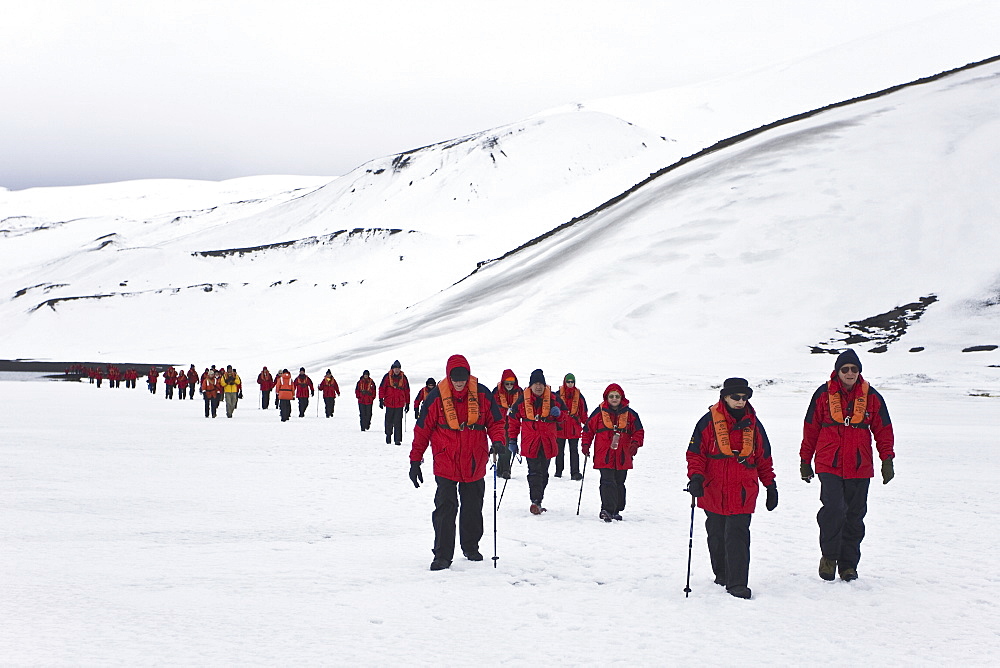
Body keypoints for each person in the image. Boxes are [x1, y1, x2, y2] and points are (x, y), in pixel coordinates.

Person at [800, 349, 894, 583]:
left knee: (854, 515)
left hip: (860, 465)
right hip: (828, 464)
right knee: (833, 510)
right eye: (845, 369)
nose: (850, 373)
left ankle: (848, 565)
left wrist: (887, 459)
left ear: (859, 371)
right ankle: (829, 558)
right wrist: (804, 460)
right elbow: (810, 428)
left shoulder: (871, 396)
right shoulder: (822, 395)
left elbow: (883, 429)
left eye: (854, 369)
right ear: (837, 371)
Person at [408, 354, 506, 571]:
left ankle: (470, 546)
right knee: (445, 508)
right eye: (456, 379)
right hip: (446, 461)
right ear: (448, 376)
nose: (460, 383)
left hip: (474, 460)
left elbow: (496, 421)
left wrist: (498, 441)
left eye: (463, 378)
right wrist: (415, 460)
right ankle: (442, 555)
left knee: (472, 506)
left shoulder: (482, 393)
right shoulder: (435, 397)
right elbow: (422, 430)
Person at [686, 378, 777, 599]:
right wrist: (696, 478)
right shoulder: (707, 423)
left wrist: (770, 484)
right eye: (735, 397)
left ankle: (737, 583)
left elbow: (764, 457)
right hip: (713, 488)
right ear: (724, 397)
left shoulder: (755, 425)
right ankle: (722, 575)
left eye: (744, 398)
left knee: (737, 535)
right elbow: (696, 453)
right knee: (716, 534)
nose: (740, 401)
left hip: (743, 490)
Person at [506, 369, 568, 515]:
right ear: (531, 385)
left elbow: (565, 417)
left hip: (548, 441)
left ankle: (538, 500)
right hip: (530, 442)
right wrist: (512, 440)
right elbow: (513, 421)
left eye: (541, 384)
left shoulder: (554, 399)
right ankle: (535, 500)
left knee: (544, 472)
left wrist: (558, 415)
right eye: (535, 384)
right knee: (533, 472)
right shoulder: (522, 400)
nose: (538, 387)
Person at [581, 383, 644, 522]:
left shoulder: (631, 414)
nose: (614, 399)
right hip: (604, 454)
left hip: (623, 455)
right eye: (611, 396)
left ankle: (616, 509)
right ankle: (607, 510)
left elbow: (639, 431)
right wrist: (586, 445)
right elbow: (587, 430)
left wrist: (635, 444)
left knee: (619, 482)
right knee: (607, 481)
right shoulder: (598, 412)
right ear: (606, 398)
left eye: (617, 396)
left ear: (621, 397)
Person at [556, 373, 588, 480]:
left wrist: (588, 426)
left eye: (572, 382)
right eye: (568, 382)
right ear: (564, 382)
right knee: (559, 451)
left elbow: (583, 413)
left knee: (574, 451)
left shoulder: (580, 396)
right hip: (560, 428)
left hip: (574, 428)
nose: (570, 384)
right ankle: (558, 472)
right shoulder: (557, 395)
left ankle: (575, 473)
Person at [491, 370, 521, 479]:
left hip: (512, 424)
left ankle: (505, 470)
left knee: (508, 447)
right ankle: (501, 469)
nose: (509, 386)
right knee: (502, 445)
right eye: (507, 384)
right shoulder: (495, 392)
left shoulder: (520, 392)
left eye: (511, 384)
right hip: (499, 423)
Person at [379, 360, 410, 445]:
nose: (397, 370)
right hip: (389, 403)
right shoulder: (386, 377)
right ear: (392, 369)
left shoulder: (404, 378)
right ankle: (388, 435)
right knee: (388, 421)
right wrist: (381, 400)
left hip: (399, 404)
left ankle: (397, 440)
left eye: (398, 368)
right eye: (395, 368)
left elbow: (407, 391)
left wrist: (407, 403)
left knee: (398, 422)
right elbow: (382, 388)